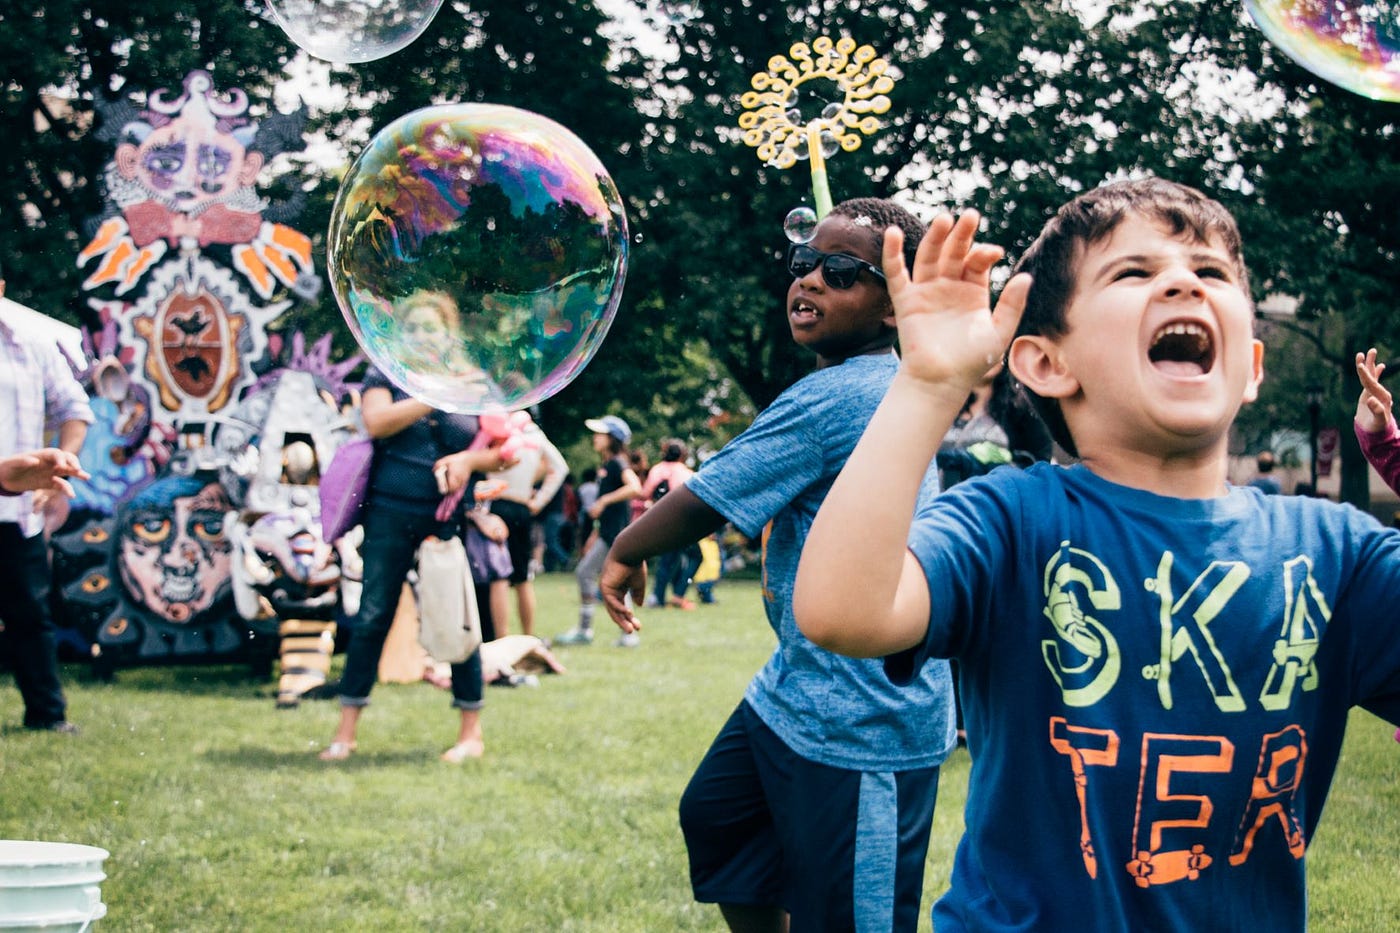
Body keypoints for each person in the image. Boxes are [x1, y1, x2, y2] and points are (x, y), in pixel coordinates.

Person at [793, 179, 1400, 931]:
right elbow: (839, 610)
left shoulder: (1341, 555)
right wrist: (926, 386)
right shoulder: (1012, 521)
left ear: (1251, 364)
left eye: (1210, 273)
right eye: (1134, 273)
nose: (1183, 279)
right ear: (1046, 363)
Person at [600, 198, 956, 933]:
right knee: (721, 818)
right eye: (804, 264)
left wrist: (625, 548)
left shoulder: (843, 393)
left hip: (866, 716)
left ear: (896, 308)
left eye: (841, 271)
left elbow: (705, 498)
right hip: (797, 687)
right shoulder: (867, 384)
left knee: (853, 920)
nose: (811, 281)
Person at [320, 294, 514, 764]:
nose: (423, 336)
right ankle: (345, 733)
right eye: (414, 329)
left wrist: (470, 460)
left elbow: (506, 451)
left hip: (446, 521)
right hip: (387, 513)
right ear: (400, 336)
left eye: (432, 328)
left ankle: (471, 733)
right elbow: (376, 421)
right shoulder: (385, 375)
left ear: (449, 333)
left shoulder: (473, 382)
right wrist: (431, 395)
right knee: (371, 618)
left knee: (458, 619)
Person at [0, 260, 94, 734]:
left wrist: (59, 464)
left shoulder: (31, 343)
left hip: (16, 509)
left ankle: (47, 714)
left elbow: (74, 408)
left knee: (29, 616)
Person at [556, 415, 641, 647]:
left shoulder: (617, 463)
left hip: (615, 536)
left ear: (612, 439)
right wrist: (595, 534)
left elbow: (635, 487)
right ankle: (627, 634)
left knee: (586, 574)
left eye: (600, 434)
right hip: (607, 533)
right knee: (616, 582)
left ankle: (588, 631)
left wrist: (603, 500)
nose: (595, 437)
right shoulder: (606, 465)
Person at [481, 414, 567, 637]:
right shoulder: (534, 434)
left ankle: (500, 638)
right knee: (522, 579)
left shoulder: (496, 427)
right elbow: (559, 467)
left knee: (496, 578)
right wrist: (538, 501)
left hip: (493, 506)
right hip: (521, 507)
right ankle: (528, 637)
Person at [640, 438, 698, 610]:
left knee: (668, 560)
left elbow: (645, 494)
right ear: (682, 455)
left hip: (660, 519)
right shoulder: (685, 472)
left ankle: (659, 596)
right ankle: (675, 594)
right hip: (682, 521)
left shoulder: (657, 469)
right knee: (694, 556)